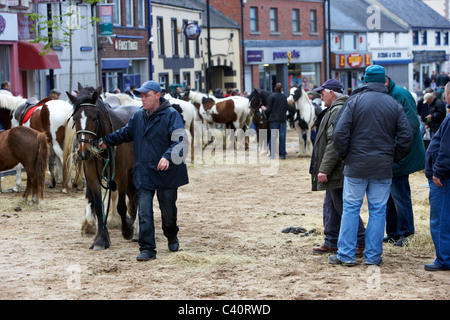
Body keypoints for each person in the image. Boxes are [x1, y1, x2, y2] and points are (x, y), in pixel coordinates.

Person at [330, 65, 413, 266]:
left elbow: (339, 133)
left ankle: (347, 255)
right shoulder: (393, 104)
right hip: (382, 167)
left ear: (365, 81)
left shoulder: (354, 101)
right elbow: (406, 137)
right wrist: (392, 157)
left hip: (356, 166)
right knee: (378, 210)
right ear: (384, 81)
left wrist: (344, 156)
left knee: (351, 208)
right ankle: (373, 257)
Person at [98, 80, 189, 261]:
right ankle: (147, 249)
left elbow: (181, 141)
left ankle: (171, 235)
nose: (143, 99)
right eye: (141, 95)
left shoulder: (171, 115)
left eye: (146, 95)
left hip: (166, 173)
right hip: (144, 172)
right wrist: (107, 140)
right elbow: (125, 133)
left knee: (168, 212)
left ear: (157, 95)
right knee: (144, 212)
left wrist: (168, 156)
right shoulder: (139, 116)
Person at [310, 79, 365, 255]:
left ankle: (361, 241)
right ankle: (332, 240)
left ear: (331, 93)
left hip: (337, 169)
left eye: (322, 92)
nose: (321, 96)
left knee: (342, 205)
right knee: (331, 205)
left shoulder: (337, 110)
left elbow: (334, 143)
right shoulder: (335, 109)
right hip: (335, 168)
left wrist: (324, 168)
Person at [384, 76, 426, 247]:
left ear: (385, 81)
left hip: (402, 154)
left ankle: (406, 233)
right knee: (390, 196)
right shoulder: (390, 93)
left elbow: (412, 124)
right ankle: (393, 232)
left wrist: (394, 148)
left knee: (400, 194)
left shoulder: (400, 94)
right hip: (395, 153)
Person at [424, 81, 450, 271]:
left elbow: (446, 150)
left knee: (441, 219)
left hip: (444, 178)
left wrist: (438, 172)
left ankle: (444, 259)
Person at [262, 83, 290, 159]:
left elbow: (269, 110)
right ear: (281, 89)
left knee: (273, 137)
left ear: (275, 88)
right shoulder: (284, 97)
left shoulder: (271, 97)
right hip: (282, 119)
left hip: (274, 119)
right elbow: (287, 108)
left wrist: (264, 109)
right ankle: (282, 154)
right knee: (282, 136)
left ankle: (272, 154)